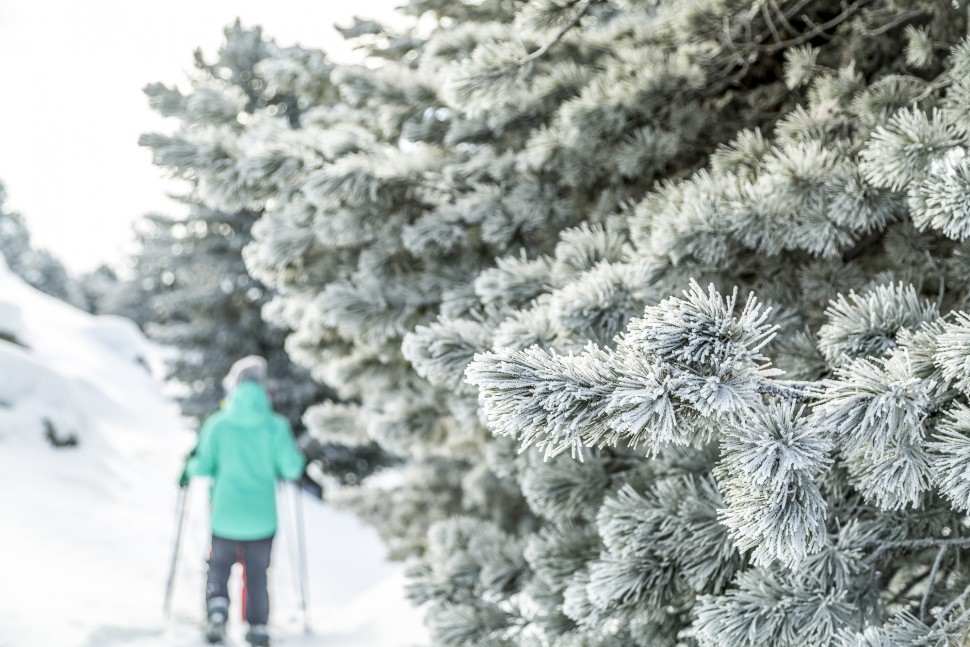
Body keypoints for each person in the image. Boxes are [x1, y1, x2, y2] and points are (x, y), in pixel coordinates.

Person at [180, 355, 306, 647]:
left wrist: (187, 468)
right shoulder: (276, 426)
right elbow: (291, 469)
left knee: (219, 565)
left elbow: (203, 466)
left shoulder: (218, 424)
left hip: (224, 515)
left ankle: (217, 608)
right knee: (257, 572)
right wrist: (295, 459)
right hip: (262, 519)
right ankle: (257, 625)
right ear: (263, 388)